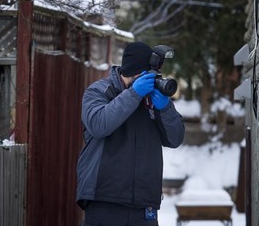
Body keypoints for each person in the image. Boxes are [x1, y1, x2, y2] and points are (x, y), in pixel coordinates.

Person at [76, 41, 185, 226]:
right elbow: (98, 124)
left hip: (144, 204)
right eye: (147, 75)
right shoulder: (99, 91)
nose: (153, 80)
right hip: (105, 199)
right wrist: (134, 94)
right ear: (133, 72)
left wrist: (165, 108)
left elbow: (175, 139)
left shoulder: (152, 98)